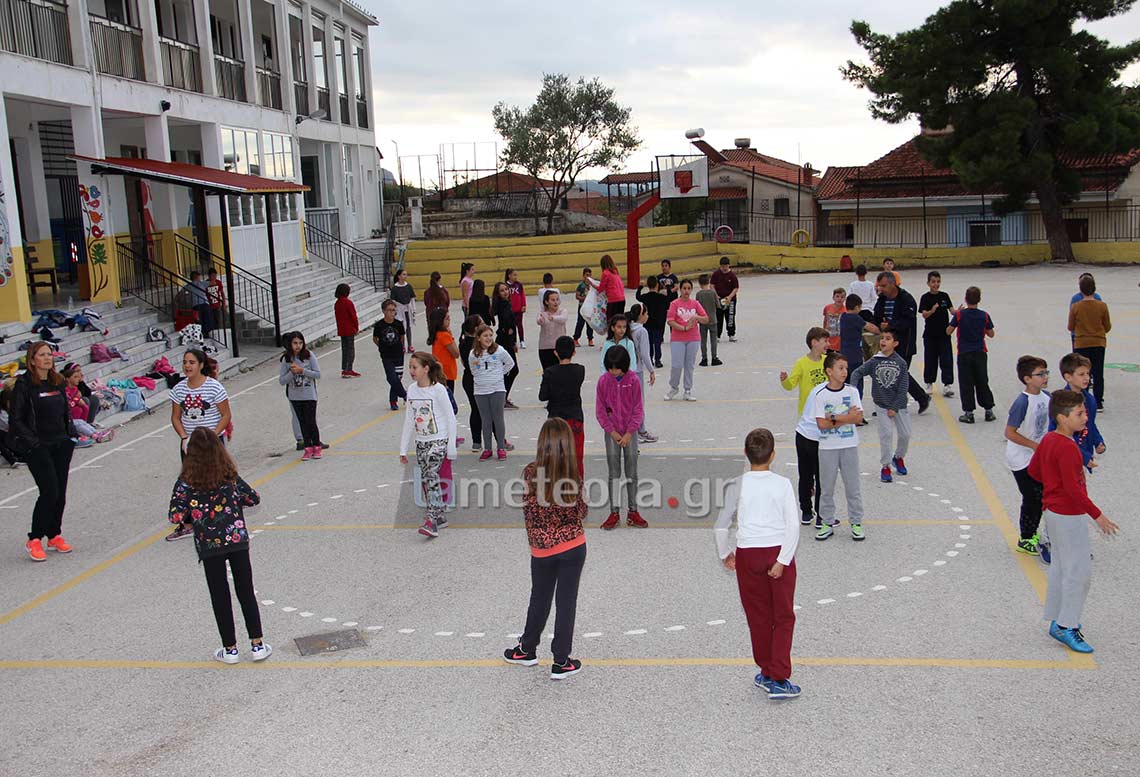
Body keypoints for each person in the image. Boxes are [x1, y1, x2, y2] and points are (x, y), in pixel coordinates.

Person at [168, 428, 270, 664]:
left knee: (219, 594)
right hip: (236, 539)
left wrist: (194, 513)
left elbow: (175, 516)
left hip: (209, 544)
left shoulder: (186, 482)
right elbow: (253, 497)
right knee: (245, 591)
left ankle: (230, 649)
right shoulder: (229, 475)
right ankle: (257, 644)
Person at [1027, 390, 1118, 653]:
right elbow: (1073, 491)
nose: (1085, 417)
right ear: (1061, 417)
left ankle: (1057, 618)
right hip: (1068, 515)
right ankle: (1067, 625)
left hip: (1053, 513)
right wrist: (1098, 516)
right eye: (1079, 414)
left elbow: (1034, 471)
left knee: (1060, 567)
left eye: (1085, 412)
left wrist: (1052, 486)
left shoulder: (1049, 440)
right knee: (1079, 573)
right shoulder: (1067, 447)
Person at [714, 427, 801, 700]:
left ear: (745, 454)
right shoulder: (782, 484)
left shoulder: (737, 484)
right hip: (777, 552)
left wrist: (725, 553)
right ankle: (779, 676)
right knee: (783, 616)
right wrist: (782, 560)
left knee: (758, 617)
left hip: (748, 555)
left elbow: (720, 525)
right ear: (773, 455)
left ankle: (766, 670)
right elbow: (793, 526)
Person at [502, 418, 587, 680]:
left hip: (541, 549)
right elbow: (582, 512)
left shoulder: (529, 472)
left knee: (539, 597)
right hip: (572, 546)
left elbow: (528, 509)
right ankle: (561, 661)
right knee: (566, 602)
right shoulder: (573, 475)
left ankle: (527, 649)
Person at [9, 342, 77, 561]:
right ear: (32, 360)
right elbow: (16, 419)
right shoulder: (24, 384)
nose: (47, 358)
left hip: (61, 443)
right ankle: (35, 538)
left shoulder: (57, 382)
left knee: (61, 494)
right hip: (38, 447)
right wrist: (34, 443)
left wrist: (70, 436)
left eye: (50, 354)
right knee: (49, 492)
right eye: (42, 355)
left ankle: (54, 534)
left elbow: (65, 410)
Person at [166, 348, 233, 541]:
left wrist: (211, 436)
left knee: (217, 478)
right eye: (185, 362)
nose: (187, 366)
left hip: (212, 442)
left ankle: (220, 517)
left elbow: (226, 415)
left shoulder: (214, 387)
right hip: (190, 444)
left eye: (192, 362)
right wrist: (184, 437)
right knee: (189, 481)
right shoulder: (179, 389)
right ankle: (187, 523)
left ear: (201, 365)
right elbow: (176, 417)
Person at [400, 352, 458, 539]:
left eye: (414, 367)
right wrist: (403, 448)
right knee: (427, 479)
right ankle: (440, 515)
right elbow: (409, 420)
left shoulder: (438, 390)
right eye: (410, 367)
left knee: (431, 476)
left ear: (426, 368)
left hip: (439, 441)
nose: (411, 371)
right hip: (421, 443)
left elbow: (451, 417)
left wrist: (451, 447)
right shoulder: (411, 390)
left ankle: (431, 520)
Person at [811, 352, 865, 542]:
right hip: (827, 448)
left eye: (845, 368)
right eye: (840, 368)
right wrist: (847, 418)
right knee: (826, 487)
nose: (845, 372)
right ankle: (826, 522)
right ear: (829, 371)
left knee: (853, 486)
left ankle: (856, 522)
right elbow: (821, 424)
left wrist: (834, 417)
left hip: (849, 445)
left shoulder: (852, 392)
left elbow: (858, 418)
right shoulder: (820, 395)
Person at [780, 327, 829, 525]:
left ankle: (821, 512)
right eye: (824, 340)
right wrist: (784, 381)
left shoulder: (829, 362)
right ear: (814, 342)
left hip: (825, 422)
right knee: (806, 473)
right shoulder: (802, 363)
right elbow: (791, 384)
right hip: (808, 422)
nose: (827, 344)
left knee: (822, 472)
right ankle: (806, 510)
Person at [849, 329, 911, 483]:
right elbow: (856, 373)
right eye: (882, 338)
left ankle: (898, 457)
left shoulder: (901, 363)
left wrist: (894, 407)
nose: (883, 341)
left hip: (899, 405)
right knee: (886, 435)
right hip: (882, 405)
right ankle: (886, 466)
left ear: (895, 344)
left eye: (888, 338)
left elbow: (903, 387)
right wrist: (852, 391)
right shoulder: (875, 361)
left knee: (905, 434)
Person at [1003, 355, 1050, 556]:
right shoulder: (1022, 402)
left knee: (1041, 496)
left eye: (1046, 372)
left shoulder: (1047, 397)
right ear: (1027, 379)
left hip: (1038, 457)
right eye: (1040, 374)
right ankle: (1026, 538)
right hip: (1020, 459)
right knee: (1032, 497)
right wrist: (1033, 445)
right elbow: (1010, 432)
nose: (1045, 377)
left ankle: (1033, 534)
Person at [597, 346, 646, 530]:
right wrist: (612, 431)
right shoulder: (603, 381)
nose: (613, 372)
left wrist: (629, 433)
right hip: (612, 434)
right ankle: (614, 512)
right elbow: (600, 410)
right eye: (610, 368)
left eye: (617, 368)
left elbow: (638, 409)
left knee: (632, 472)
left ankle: (633, 511)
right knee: (614, 472)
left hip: (629, 434)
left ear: (625, 366)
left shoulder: (633, 380)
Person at [871, 271, 930, 413]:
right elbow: (877, 317)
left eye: (884, 286)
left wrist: (890, 325)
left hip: (905, 344)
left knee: (899, 373)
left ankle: (917, 398)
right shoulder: (882, 299)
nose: (881, 289)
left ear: (893, 284)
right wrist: (878, 325)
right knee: (890, 371)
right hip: (887, 343)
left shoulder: (906, 299)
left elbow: (907, 321)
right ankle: (920, 398)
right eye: (879, 286)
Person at [948, 286, 996, 423]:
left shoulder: (959, 315)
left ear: (965, 299)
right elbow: (991, 334)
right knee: (982, 380)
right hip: (980, 352)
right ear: (979, 299)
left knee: (966, 382)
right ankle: (988, 410)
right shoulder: (984, 315)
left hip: (964, 353)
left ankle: (969, 412)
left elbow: (948, 331)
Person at [1051, 352, 1105, 473]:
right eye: (1081, 374)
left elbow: (1090, 424)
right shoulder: (1061, 402)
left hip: (1084, 455)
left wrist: (1098, 441)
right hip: (1066, 457)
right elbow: (1056, 433)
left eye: (1088, 373)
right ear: (1068, 377)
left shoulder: (1090, 399)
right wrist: (1083, 457)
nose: (1087, 378)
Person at [539, 336, 586, 476]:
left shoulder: (550, 372)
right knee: (576, 456)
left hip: (556, 420)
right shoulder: (580, 370)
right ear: (573, 353)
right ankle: (578, 487)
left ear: (555, 352)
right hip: (575, 418)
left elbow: (542, 396)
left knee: (556, 458)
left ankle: (557, 487)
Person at [469, 324, 514, 460]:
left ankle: (500, 447)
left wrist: (499, 374)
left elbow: (510, 363)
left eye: (490, 335)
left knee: (498, 418)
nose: (488, 338)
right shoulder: (473, 354)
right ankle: (487, 448)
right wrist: (481, 378)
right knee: (486, 419)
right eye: (485, 336)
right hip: (480, 390)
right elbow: (473, 370)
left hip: (497, 389)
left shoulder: (499, 350)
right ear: (478, 338)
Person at [1068, 274, 1110, 411]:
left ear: (1080, 289)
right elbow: (1107, 326)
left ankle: (1082, 399)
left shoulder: (1076, 306)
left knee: (1081, 371)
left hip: (1081, 342)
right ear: (1094, 288)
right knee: (1098, 372)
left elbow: (1070, 326)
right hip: (1098, 342)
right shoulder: (1102, 306)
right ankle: (1099, 402)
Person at [279, 331, 322, 460]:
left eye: (300, 343)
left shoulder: (309, 356)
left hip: (309, 395)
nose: (298, 346)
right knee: (302, 422)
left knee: (311, 422)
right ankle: (307, 448)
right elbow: (282, 380)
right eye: (295, 343)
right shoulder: (287, 359)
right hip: (295, 396)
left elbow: (318, 374)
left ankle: (316, 446)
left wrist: (302, 370)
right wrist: (292, 373)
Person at [664, 279, 708, 402]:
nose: (686, 291)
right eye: (684, 288)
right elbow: (670, 321)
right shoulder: (674, 304)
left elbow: (705, 319)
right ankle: (674, 387)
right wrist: (683, 328)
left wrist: (696, 317)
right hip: (678, 339)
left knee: (689, 366)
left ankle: (687, 390)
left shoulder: (695, 304)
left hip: (693, 339)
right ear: (680, 289)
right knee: (677, 365)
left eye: (689, 288)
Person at [919, 271, 954, 397]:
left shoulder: (944, 296)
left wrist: (959, 312)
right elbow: (924, 314)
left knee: (946, 359)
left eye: (938, 281)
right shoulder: (925, 298)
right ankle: (929, 383)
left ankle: (947, 384)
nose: (936, 284)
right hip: (930, 334)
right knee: (930, 359)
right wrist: (932, 310)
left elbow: (952, 311)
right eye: (933, 281)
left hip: (944, 334)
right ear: (928, 283)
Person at [627, 304, 659, 444]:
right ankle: (641, 430)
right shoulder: (642, 331)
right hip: (637, 370)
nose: (648, 316)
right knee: (638, 402)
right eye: (646, 313)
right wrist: (651, 370)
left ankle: (631, 429)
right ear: (641, 315)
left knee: (629, 402)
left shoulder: (627, 328)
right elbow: (645, 354)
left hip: (626, 369)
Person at [61, 364, 112, 443]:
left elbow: (87, 393)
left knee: (81, 421)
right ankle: (94, 436)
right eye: (75, 376)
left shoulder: (75, 388)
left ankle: (97, 433)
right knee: (78, 421)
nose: (79, 377)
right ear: (67, 379)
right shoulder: (65, 390)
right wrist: (77, 399)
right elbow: (68, 404)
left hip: (74, 418)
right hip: (66, 419)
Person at [839, 295, 877, 400]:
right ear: (856, 307)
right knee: (857, 383)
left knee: (845, 383)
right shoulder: (856, 318)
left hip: (843, 355)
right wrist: (880, 331)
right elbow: (870, 327)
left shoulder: (843, 317)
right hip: (855, 356)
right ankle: (857, 405)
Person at [427, 307, 461, 422]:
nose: (449, 320)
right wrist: (451, 336)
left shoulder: (436, 334)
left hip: (440, 372)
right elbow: (456, 353)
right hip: (447, 372)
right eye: (447, 318)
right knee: (448, 403)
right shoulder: (444, 335)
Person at [373, 299, 408, 412]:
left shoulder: (398, 324)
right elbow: (375, 338)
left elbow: (402, 336)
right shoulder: (379, 325)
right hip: (386, 355)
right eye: (389, 310)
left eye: (393, 310)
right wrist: (381, 346)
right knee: (391, 377)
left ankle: (393, 401)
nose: (392, 313)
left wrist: (401, 348)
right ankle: (404, 394)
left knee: (397, 378)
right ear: (384, 311)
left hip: (398, 354)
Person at [459, 314, 485, 454]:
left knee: (476, 408)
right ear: (476, 328)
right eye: (482, 323)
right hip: (477, 378)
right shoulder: (476, 344)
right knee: (484, 409)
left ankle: (476, 442)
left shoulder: (463, 341)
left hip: (468, 378)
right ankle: (499, 439)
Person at [492, 281, 521, 409]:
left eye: (506, 289)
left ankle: (502, 396)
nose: (505, 292)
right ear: (498, 294)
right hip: (504, 340)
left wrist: (514, 339)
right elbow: (507, 323)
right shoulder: (503, 305)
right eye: (502, 290)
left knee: (510, 369)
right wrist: (508, 333)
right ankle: (501, 397)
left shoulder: (506, 304)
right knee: (512, 369)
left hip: (507, 339)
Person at [635, 275, 669, 368]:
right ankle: (658, 360)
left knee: (649, 342)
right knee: (657, 342)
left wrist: (640, 288)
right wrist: (668, 288)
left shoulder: (645, 297)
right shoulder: (661, 297)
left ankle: (650, 358)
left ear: (648, 285)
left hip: (648, 322)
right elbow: (669, 300)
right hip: (658, 323)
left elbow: (638, 297)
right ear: (657, 285)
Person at [536, 289, 568, 370]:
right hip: (545, 347)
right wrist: (541, 320)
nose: (556, 302)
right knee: (547, 372)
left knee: (560, 372)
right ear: (546, 302)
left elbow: (563, 319)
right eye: (552, 300)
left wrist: (552, 318)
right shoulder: (542, 313)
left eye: (557, 299)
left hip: (560, 347)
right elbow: (539, 321)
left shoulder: (562, 311)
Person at [1068, 272, 1102, 346]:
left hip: (1081, 337)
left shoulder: (1097, 298)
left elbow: (1071, 324)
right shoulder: (1076, 298)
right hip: (1091, 336)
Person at [710, 255, 740, 342]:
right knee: (718, 317)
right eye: (722, 266)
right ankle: (717, 336)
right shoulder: (716, 274)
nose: (724, 268)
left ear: (729, 265)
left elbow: (736, 288)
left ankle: (731, 334)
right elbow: (712, 285)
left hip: (730, 300)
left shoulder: (732, 276)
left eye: (726, 266)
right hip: (718, 299)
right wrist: (716, 295)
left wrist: (730, 297)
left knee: (730, 317)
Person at [334, 283, 360, 378]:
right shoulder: (348, 302)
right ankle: (349, 369)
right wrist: (356, 327)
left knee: (344, 349)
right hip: (349, 329)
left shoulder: (337, 303)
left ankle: (344, 368)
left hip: (342, 329)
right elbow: (353, 316)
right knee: (350, 350)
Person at [695, 275, 722, 367]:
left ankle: (704, 358)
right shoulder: (713, 293)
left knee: (703, 340)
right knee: (713, 340)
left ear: (699, 283)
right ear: (709, 282)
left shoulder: (698, 294)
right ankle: (714, 358)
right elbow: (718, 305)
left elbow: (696, 307)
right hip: (713, 319)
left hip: (703, 320)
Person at [390, 268, 417, 353]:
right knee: (401, 328)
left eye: (406, 274)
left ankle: (410, 345)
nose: (405, 276)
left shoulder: (408, 286)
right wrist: (395, 311)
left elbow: (412, 298)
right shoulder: (395, 288)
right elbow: (393, 300)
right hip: (399, 310)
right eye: (403, 274)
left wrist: (413, 309)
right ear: (399, 276)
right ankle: (402, 346)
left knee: (408, 327)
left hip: (407, 310)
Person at [184, 271, 213, 338]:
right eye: (199, 276)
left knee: (199, 321)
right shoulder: (202, 283)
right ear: (197, 277)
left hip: (195, 305)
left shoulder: (189, 286)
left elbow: (182, 293)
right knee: (207, 319)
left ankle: (201, 334)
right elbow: (213, 282)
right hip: (204, 303)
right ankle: (207, 333)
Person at [505, 268, 528, 350]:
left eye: (516, 275)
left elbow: (522, 295)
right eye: (514, 275)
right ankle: (513, 341)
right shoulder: (505, 286)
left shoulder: (519, 285)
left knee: (519, 325)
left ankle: (522, 340)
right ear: (509, 275)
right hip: (510, 310)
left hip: (518, 309)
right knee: (512, 326)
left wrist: (524, 305)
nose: (516, 277)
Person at [573, 267, 596, 347]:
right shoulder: (581, 286)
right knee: (580, 323)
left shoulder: (592, 286)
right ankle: (575, 339)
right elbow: (577, 296)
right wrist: (584, 299)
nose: (588, 277)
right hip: (582, 307)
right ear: (583, 276)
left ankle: (590, 339)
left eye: (589, 275)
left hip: (590, 307)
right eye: (586, 275)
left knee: (590, 323)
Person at [598, 254, 625, 319]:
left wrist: (592, 283)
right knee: (619, 321)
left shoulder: (605, 273)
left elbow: (600, 288)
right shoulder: (615, 272)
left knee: (611, 321)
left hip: (613, 300)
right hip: (622, 299)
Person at [822, 287, 845, 352]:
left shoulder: (845, 311)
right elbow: (825, 320)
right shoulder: (827, 308)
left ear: (845, 298)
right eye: (837, 296)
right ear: (833, 298)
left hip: (839, 342)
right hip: (829, 340)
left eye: (842, 297)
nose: (839, 299)